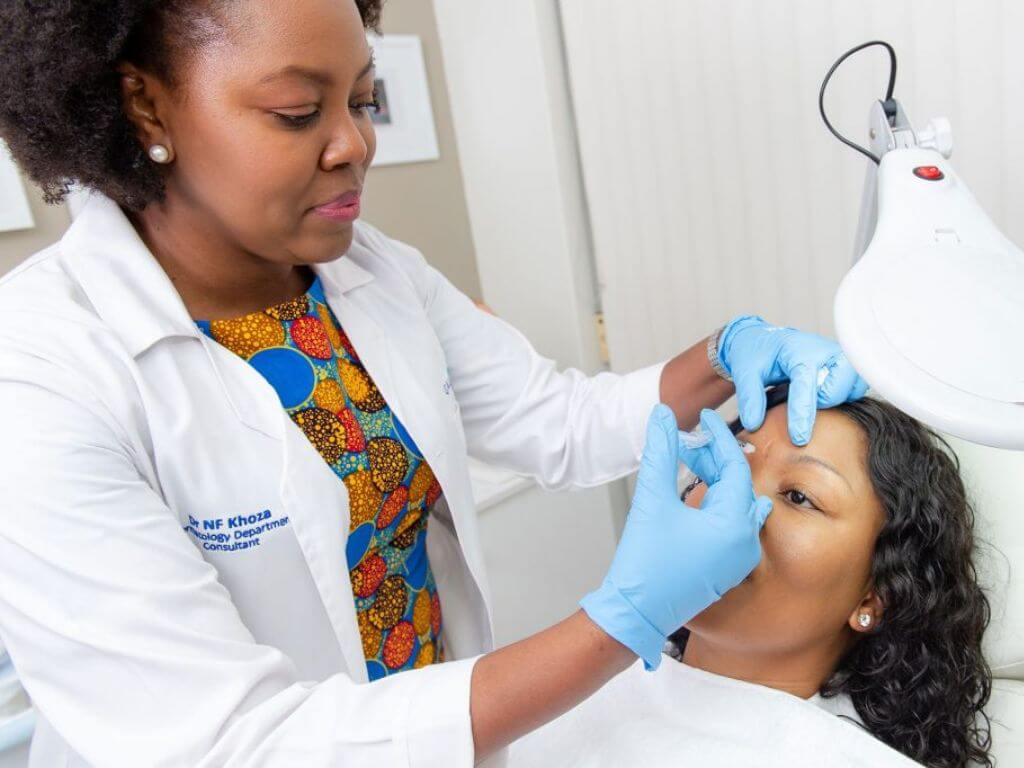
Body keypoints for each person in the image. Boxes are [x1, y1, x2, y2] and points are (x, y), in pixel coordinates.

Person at [0, 1, 867, 765]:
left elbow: (557, 420)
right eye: (298, 112)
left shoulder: (377, 273)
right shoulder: (41, 369)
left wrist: (723, 353)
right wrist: (619, 622)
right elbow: (232, 746)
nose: (355, 144)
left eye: (363, 100)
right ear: (146, 102)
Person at [513, 388, 993, 768]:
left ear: (876, 595)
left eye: (799, 496)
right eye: (728, 466)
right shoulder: (556, 687)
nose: (732, 503)